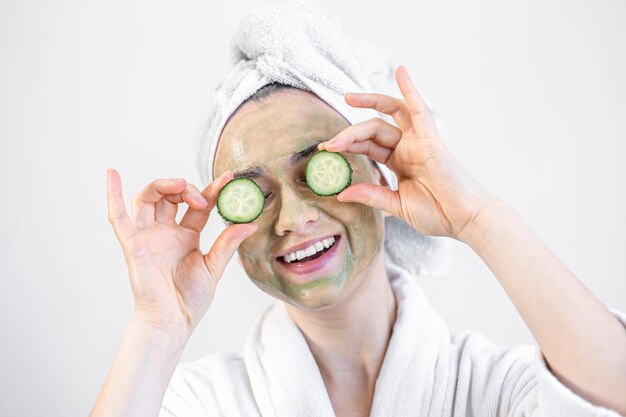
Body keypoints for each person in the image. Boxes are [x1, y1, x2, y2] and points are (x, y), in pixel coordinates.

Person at [90, 2, 626, 416]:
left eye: (318, 170)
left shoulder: (491, 388)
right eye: (255, 193)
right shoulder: (203, 400)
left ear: (380, 168)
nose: (294, 218)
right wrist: (158, 328)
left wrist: (478, 220)